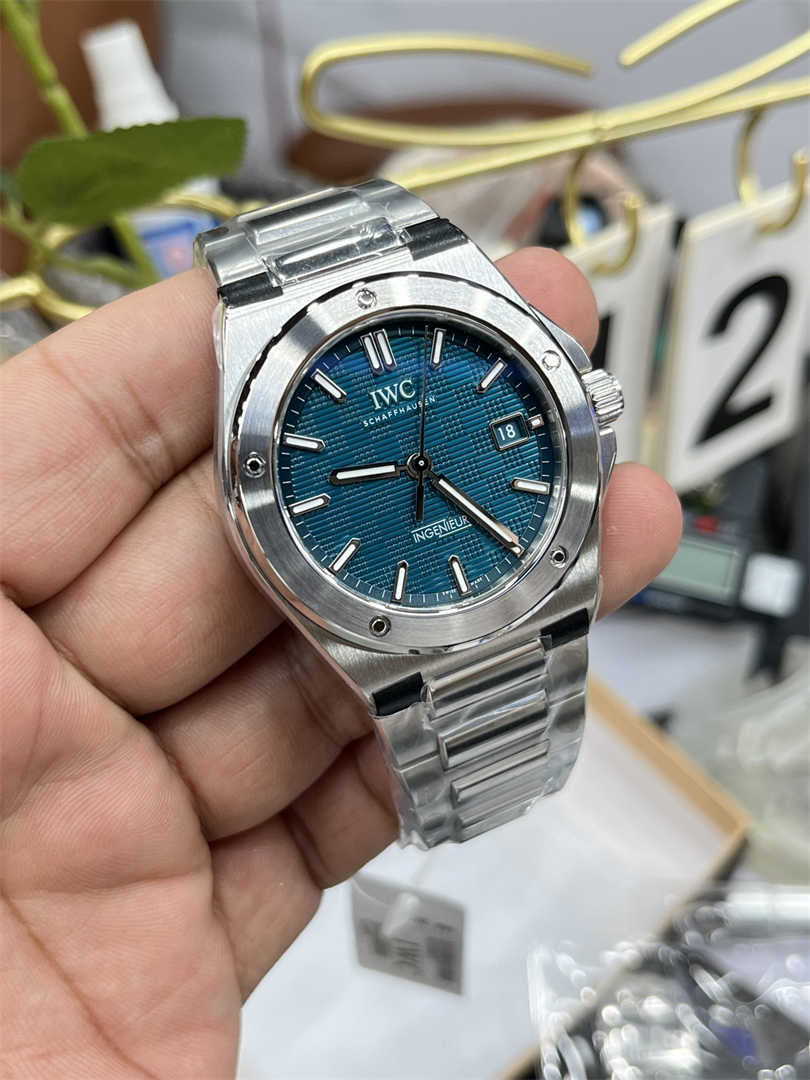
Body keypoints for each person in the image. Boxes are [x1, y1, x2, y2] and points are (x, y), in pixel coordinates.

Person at [0, 247, 681, 1077]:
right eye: (410, 466)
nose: (419, 467)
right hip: (399, 602)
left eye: (420, 462)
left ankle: (478, 796)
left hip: (509, 572)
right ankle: (458, 802)